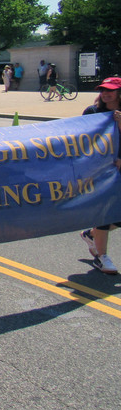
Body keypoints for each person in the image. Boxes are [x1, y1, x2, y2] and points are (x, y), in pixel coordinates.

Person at [79, 76, 121, 274]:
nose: (105, 93)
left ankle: (91, 235)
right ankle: (102, 257)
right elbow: (81, 139)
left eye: (111, 90)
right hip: (100, 171)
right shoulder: (93, 112)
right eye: (103, 89)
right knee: (105, 213)